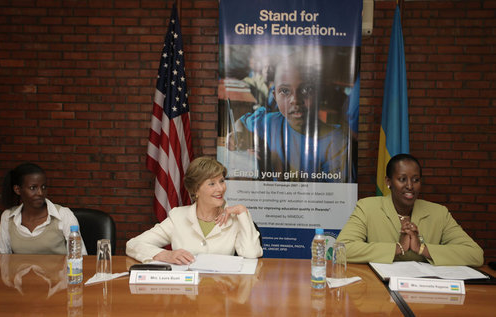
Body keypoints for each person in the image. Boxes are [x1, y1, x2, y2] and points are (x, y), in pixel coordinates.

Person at [336, 154, 484, 266]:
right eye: (402, 179)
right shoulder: (367, 207)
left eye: (415, 180)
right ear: (388, 182)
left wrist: (422, 249)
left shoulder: (439, 213)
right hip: (381, 293)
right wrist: (397, 248)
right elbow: (341, 249)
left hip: (426, 293)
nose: (410, 186)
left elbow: (475, 254)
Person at [227, 50, 351, 182]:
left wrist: (277, 167)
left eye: (306, 89)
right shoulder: (269, 122)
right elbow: (242, 122)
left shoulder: (336, 144)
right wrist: (238, 134)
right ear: (275, 96)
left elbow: (331, 197)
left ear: (319, 94)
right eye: (285, 91)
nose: (295, 100)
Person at [126, 156, 263, 264]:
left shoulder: (235, 218)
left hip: (220, 294)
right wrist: (166, 255)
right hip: (186, 293)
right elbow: (133, 245)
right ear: (196, 190)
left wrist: (243, 212)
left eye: (221, 181)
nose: (220, 188)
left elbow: (251, 254)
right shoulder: (178, 217)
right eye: (211, 184)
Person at [0, 163, 87, 255]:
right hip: (19, 270)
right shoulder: (8, 217)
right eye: (33, 188)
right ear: (17, 189)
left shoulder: (63, 215)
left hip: (58, 270)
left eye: (43, 187)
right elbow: (2, 258)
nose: (40, 193)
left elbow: (80, 258)